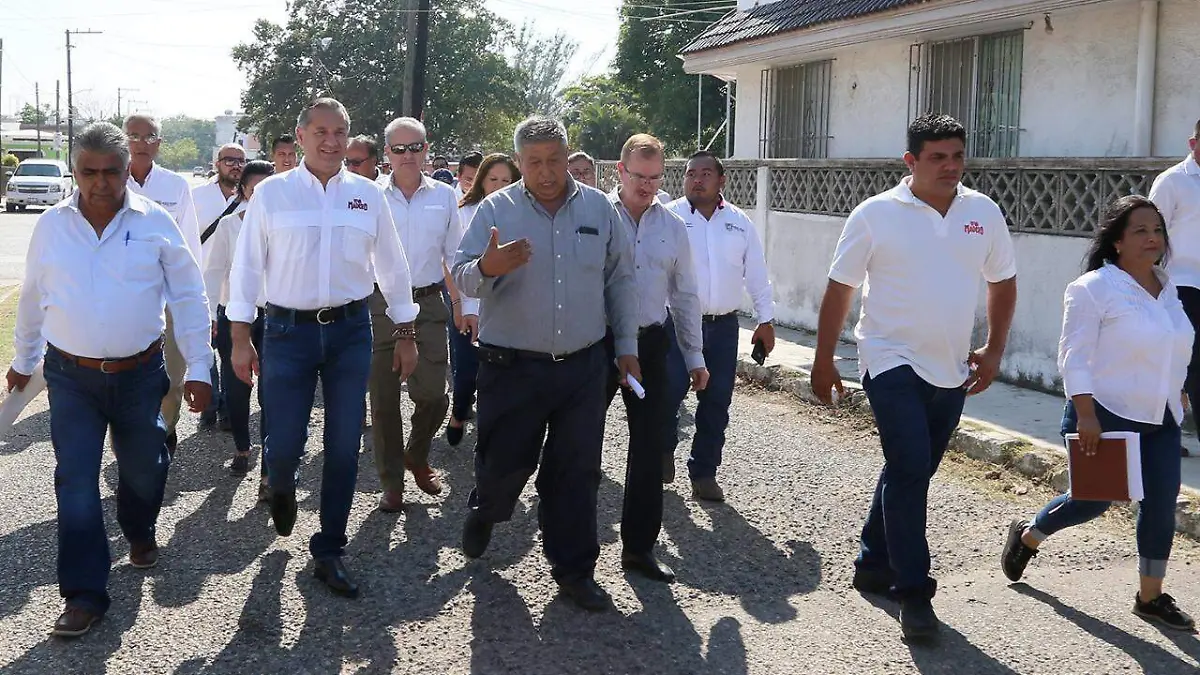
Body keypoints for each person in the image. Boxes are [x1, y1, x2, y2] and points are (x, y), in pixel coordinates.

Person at [810, 113, 1018, 641]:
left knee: (912, 470)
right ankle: (914, 593)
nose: (950, 166)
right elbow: (840, 289)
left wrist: (994, 349)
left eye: (957, 156)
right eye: (937, 157)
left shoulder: (982, 212)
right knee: (908, 468)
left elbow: (1002, 281)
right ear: (911, 161)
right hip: (889, 359)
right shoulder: (875, 214)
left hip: (951, 367)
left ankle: (872, 561)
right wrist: (823, 358)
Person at [7, 122, 212, 637]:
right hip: (71, 377)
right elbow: (33, 296)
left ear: (126, 171)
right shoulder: (52, 226)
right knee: (75, 479)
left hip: (140, 375)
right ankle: (84, 594)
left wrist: (200, 366)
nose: (100, 183)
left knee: (145, 468)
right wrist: (24, 359)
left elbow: (189, 295)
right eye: (89, 171)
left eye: (111, 172)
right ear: (75, 172)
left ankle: (139, 527)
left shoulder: (154, 221)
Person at [228, 98, 419, 598]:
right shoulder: (272, 194)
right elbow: (247, 267)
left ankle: (330, 548)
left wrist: (406, 332)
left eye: (340, 132)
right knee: (284, 441)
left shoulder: (367, 196)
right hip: (286, 333)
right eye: (320, 132)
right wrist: (240, 338)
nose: (331, 142)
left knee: (343, 444)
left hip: (350, 332)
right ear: (301, 136)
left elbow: (392, 265)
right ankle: (281, 483)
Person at [452, 116, 639, 611]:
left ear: (566, 154)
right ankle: (487, 507)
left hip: (582, 368)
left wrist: (626, 347)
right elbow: (462, 275)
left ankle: (574, 570)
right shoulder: (497, 209)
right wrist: (487, 267)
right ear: (520, 161)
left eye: (554, 159)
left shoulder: (599, 209)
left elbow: (620, 280)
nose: (547, 171)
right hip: (512, 368)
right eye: (534, 162)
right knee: (504, 467)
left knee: (577, 472)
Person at [1001, 195, 1194, 631]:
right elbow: (1074, 355)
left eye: (1158, 230)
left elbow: (1174, 346)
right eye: (1140, 231)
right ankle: (1029, 536)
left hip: (1160, 418)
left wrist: (1177, 387)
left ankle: (1150, 597)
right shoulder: (1093, 288)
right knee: (1091, 503)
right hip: (1105, 414)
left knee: (1160, 504)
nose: (1152, 238)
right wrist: (1085, 414)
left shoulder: (1168, 288)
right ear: (1117, 241)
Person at [606, 134, 708, 583]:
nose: (647, 186)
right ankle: (572, 553)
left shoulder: (672, 227)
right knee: (579, 444)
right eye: (639, 177)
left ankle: (639, 549)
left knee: (650, 446)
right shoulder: (596, 215)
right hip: (598, 344)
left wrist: (694, 355)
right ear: (620, 171)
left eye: (656, 178)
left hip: (649, 344)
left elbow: (684, 295)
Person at [370, 117, 473, 511]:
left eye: (415, 147)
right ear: (387, 154)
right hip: (379, 305)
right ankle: (391, 482)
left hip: (428, 304)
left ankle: (416, 454)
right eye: (399, 149)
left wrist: (466, 306)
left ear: (427, 149)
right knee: (383, 400)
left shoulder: (444, 196)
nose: (408, 155)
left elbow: (457, 257)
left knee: (434, 396)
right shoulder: (371, 195)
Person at [663, 151, 774, 501]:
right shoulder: (668, 217)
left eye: (705, 173)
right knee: (668, 393)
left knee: (717, 401)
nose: (697, 180)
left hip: (723, 326)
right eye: (691, 174)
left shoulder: (740, 222)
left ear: (721, 180)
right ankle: (663, 450)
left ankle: (704, 473)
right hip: (676, 324)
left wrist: (765, 319)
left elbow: (756, 273)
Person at [124, 113, 203, 457]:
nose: (141, 143)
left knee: (171, 376)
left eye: (149, 136)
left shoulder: (176, 186)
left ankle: (165, 430)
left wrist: (196, 302)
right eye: (133, 136)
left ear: (159, 142)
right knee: (122, 378)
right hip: (121, 297)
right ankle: (130, 442)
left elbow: (190, 247)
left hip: (168, 296)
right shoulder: (107, 181)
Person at [202, 160, 274, 492]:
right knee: (236, 387)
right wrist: (210, 316)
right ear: (242, 190)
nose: (259, 195)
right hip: (234, 317)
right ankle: (243, 448)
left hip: (274, 317)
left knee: (272, 390)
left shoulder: (285, 226)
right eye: (253, 188)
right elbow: (214, 272)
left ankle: (270, 464)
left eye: (266, 189)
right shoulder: (229, 226)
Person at [445, 153, 520, 446]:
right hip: (468, 304)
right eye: (493, 179)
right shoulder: (464, 212)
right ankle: (459, 412)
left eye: (506, 180)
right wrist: (463, 306)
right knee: (465, 371)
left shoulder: (522, 215)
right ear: (481, 181)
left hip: (507, 308)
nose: (499, 186)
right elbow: (453, 262)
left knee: (502, 377)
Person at [1149, 119, 1200, 458]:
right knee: (1179, 363)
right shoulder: (1172, 182)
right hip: (1181, 284)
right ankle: (1163, 433)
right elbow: (1150, 234)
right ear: (1193, 143)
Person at [193, 142, 247, 432]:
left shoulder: (252, 199)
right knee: (204, 346)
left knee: (228, 348)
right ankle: (210, 402)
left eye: (240, 160)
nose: (235, 165)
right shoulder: (197, 197)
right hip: (199, 284)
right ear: (217, 163)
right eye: (229, 160)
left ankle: (228, 405)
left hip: (234, 290)